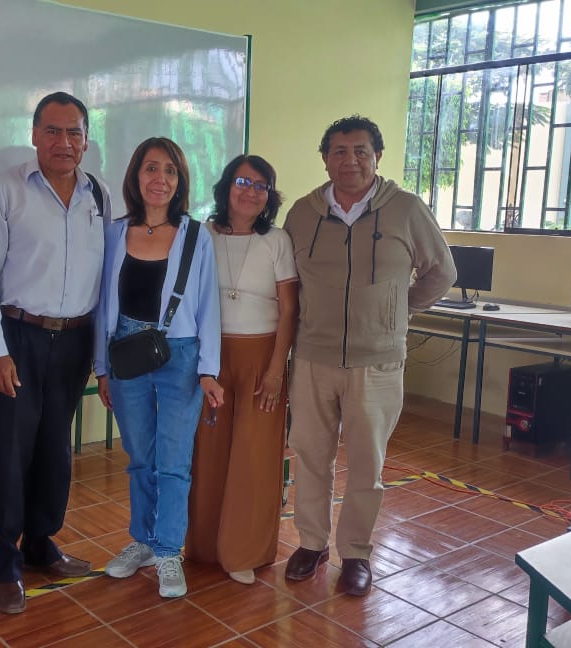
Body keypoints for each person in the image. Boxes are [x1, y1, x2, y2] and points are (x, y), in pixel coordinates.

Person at [281, 115, 455, 597]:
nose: (350, 160)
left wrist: (398, 311)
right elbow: (286, 280)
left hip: (376, 363)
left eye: (361, 151)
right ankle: (311, 544)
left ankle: (355, 553)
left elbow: (442, 272)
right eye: (339, 151)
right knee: (310, 458)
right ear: (325, 159)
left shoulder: (406, 209)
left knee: (366, 466)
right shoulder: (302, 213)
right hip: (312, 358)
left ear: (377, 157)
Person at [0, 92, 109, 614]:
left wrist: (100, 352)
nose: (63, 142)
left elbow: (104, 278)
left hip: (74, 339)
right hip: (18, 337)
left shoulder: (99, 194)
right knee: (9, 454)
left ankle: (41, 544)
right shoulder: (5, 189)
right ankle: (2, 565)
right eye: (52, 130)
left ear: (86, 140)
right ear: (33, 135)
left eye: (74, 132)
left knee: (54, 449)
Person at [95, 137, 224, 598]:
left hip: (181, 355)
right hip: (126, 353)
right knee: (140, 458)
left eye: (170, 171)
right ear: (136, 176)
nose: (160, 179)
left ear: (180, 181)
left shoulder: (196, 236)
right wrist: (101, 368)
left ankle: (169, 550)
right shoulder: (114, 233)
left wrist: (208, 370)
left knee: (173, 460)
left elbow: (208, 306)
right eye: (151, 168)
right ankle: (143, 542)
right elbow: (101, 305)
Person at [185, 155, 297, 585]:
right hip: (211, 358)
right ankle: (205, 544)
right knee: (208, 451)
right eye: (243, 181)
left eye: (260, 185)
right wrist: (201, 365)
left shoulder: (277, 240)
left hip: (261, 358)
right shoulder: (203, 234)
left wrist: (276, 371)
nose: (251, 191)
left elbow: (289, 311)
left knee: (254, 454)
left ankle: (244, 550)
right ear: (226, 186)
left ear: (269, 195)